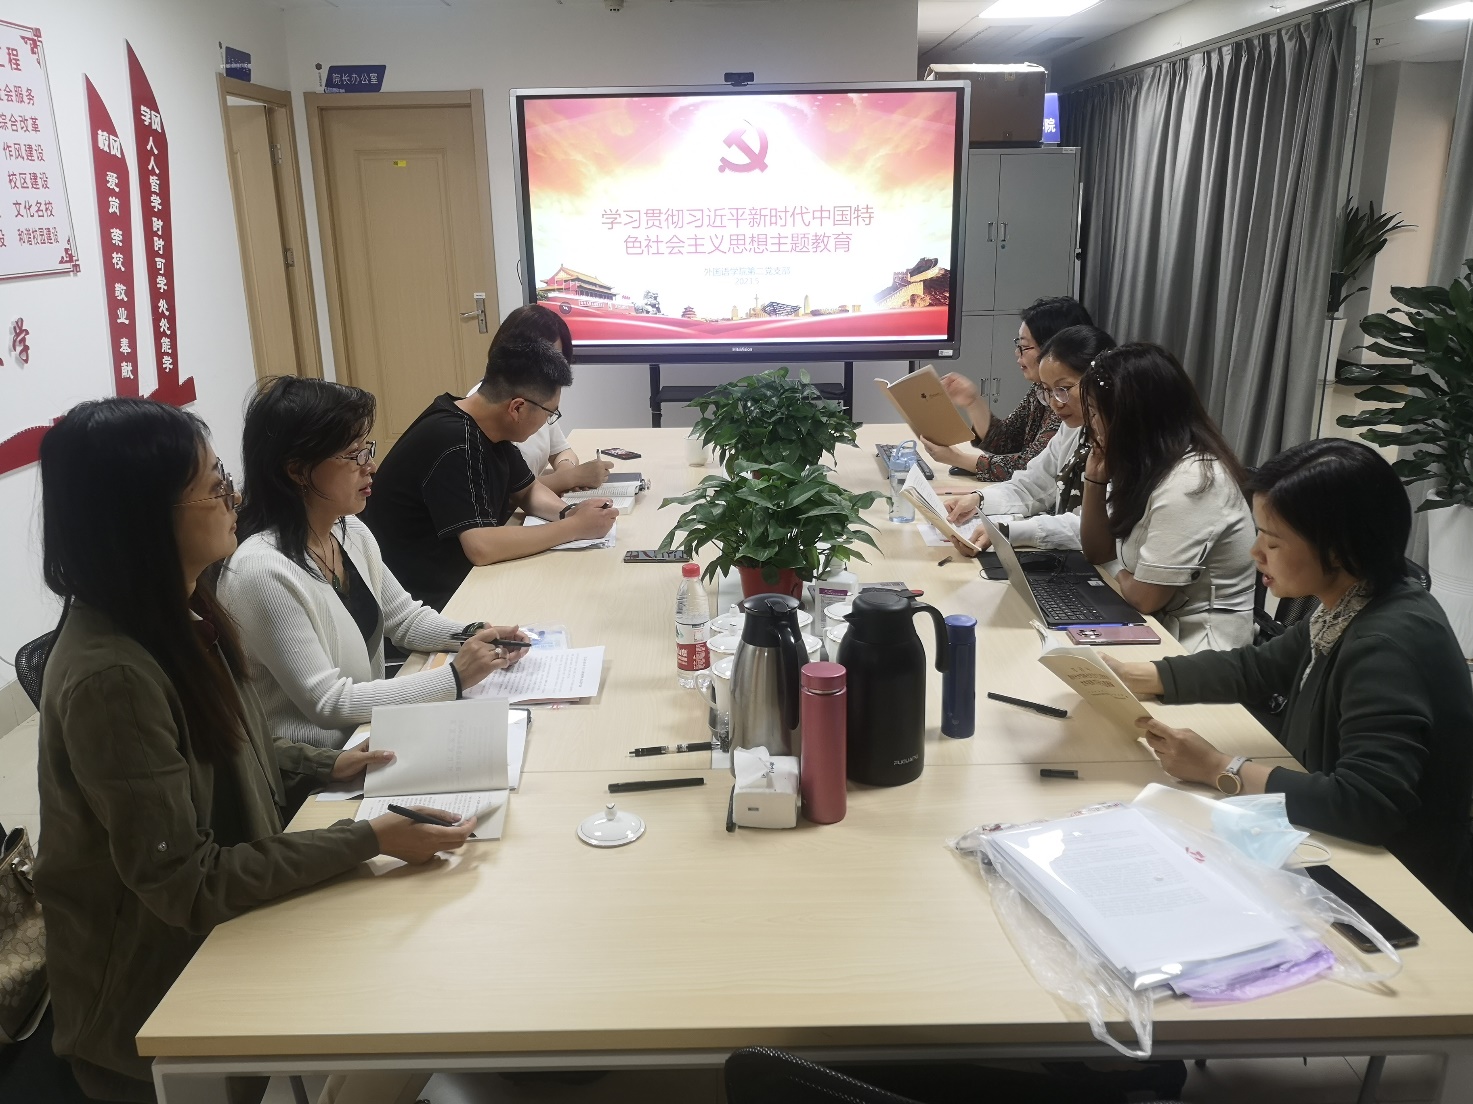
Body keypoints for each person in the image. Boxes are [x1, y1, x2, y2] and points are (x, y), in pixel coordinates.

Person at [32, 398, 476, 1103]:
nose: (232, 500)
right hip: (154, 1000)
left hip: (224, 926)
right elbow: (186, 883)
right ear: (143, 517)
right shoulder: (113, 674)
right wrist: (368, 839)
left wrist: (325, 764)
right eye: (213, 486)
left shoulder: (182, 608)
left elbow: (226, 741)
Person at [1108, 438, 1473, 926]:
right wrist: (1135, 676)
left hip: (1398, 889)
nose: (1255, 552)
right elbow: (1257, 668)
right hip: (1332, 843)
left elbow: (1366, 804)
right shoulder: (1354, 602)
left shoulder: (1386, 643)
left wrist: (1219, 768)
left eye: (1273, 541)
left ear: (1338, 547)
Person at [218, 376, 529, 750]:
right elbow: (328, 702)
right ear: (297, 470)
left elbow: (406, 621)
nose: (371, 466)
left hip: (367, 737)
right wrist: (455, 677)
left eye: (367, 449)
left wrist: (476, 634)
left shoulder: (348, 529)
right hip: (316, 766)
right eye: (354, 455)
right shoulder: (261, 572)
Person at [363, 336, 618, 610]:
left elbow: (527, 490)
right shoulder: (454, 440)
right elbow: (481, 547)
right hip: (423, 602)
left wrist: (570, 513)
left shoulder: (485, 424)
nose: (548, 422)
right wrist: (574, 528)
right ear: (517, 408)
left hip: (458, 582)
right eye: (549, 414)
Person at [1077, 343, 1255, 651]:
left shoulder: (1192, 482)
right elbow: (1097, 552)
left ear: (1130, 417)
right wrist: (1094, 479)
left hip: (1200, 649)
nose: (1090, 424)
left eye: (1094, 412)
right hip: (1156, 628)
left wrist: (1118, 571)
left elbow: (1145, 598)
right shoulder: (1150, 466)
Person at [943, 324, 1116, 552]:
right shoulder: (1073, 428)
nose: (1055, 402)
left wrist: (1010, 531)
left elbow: (1097, 527)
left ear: (1098, 382)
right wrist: (979, 500)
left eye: (1063, 389)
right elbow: (1033, 484)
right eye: (1047, 390)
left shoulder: (1128, 440)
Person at [920, 296, 1092, 479]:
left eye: (1024, 346)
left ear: (1054, 348)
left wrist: (957, 459)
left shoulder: (1075, 403)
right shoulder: (1040, 390)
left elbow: (1033, 469)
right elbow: (1007, 440)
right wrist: (972, 401)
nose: (1017, 353)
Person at [488, 304, 614, 495]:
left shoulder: (540, 399)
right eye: (546, 358)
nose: (554, 368)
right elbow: (507, 494)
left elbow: (562, 451)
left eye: (559, 359)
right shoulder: (491, 405)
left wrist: (566, 473)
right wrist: (570, 478)